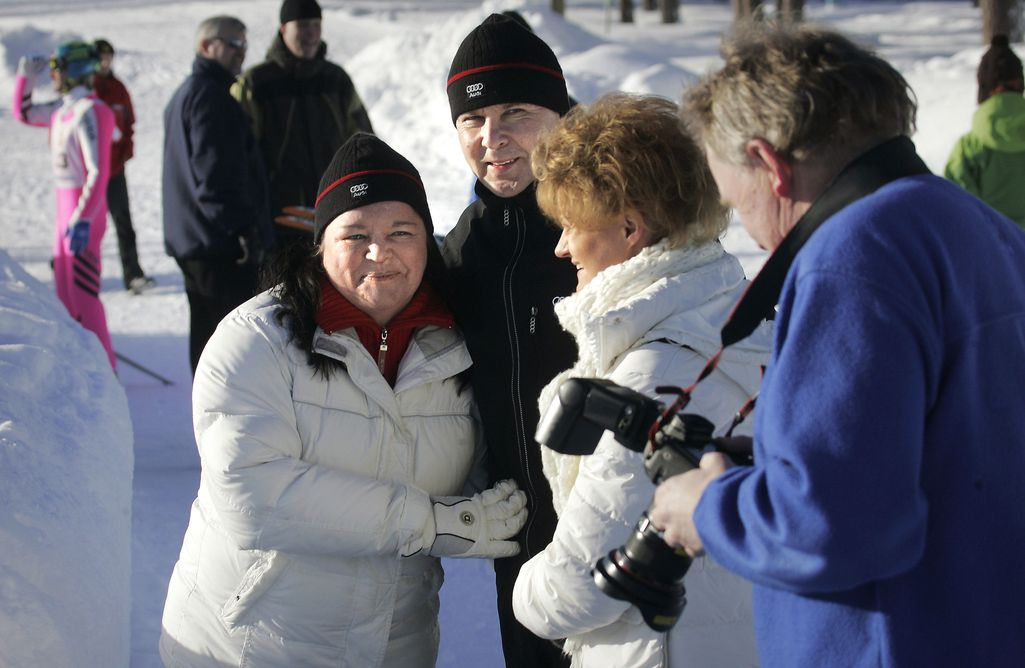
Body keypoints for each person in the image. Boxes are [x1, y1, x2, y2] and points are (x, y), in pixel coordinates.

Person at [650, 23, 1025, 667]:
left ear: (769, 167)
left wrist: (708, 507)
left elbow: (841, 526)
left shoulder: (851, 257)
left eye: (738, 204)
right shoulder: (981, 226)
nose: (757, 239)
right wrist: (777, 457)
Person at [159, 132, 528, 667]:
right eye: (355, 235)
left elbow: (475, 478)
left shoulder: (461, 350)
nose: (379, 253)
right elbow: (252, 493)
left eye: (401, 231)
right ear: (321, 245)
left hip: (392, 647)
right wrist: (429, 522)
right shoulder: (256, 339)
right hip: (249, 647)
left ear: (428, 240)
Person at [511, 93, 771, 667]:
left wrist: (524, 590)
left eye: (570, 226)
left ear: (630, 227)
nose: (560, 246)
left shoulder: (655, 373)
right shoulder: (737, 322)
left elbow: (579, 590)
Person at [440, 13, 578, 667]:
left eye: (515, 111)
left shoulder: (615, 224)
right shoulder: (465, 250)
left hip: (625, 538)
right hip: (522, 549)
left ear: (559, 115)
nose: (491, 137)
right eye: (472, 118)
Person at [162, 15, 272, 376]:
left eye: (244, 43)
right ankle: (222, 421)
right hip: (217, 247)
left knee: (209, 340)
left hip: (195, 240)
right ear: (206, 47)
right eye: (233, 43)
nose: (242, 52)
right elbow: (215, 178)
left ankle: (209, 419)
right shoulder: (210, 99)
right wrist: (244, 230)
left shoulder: (188, 94)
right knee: (228, 346)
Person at [232, 0, 374, 249]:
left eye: (316, 25)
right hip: (277, 221)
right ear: (284, 29)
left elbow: (363, 144)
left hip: (335, 213)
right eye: (303, 25)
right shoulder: (256, 83)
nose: (311, 33)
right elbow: (236, 158)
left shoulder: (336, 80)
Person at [13, 40, 118, 369]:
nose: (54, 75)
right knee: (65, 297)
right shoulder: (63, 109)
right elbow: (25, 113)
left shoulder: (92, 110)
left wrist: (83, 218)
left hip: (81, 214)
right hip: (65, 212)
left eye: (58, 69)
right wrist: (24, 78)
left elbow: (99, 171)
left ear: (75, 71)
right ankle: (82, 365)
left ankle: (106, 368)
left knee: (84, 297)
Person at [92, 38, 154, 294]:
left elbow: (129, 123)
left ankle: (133, 274)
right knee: (89, 224)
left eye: (109, 57)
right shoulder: (87, 90)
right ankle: (72, 270)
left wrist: (126, 150)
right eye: (101, 58)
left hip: (115, 170)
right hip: (89, 174)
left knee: (123, 223)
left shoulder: (118, 88)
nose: (106, 62)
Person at [944, 34, 1025, 229]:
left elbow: (956, 208)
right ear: (1020, 85)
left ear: (983, 90)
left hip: (991, 250)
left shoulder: (968, 148)